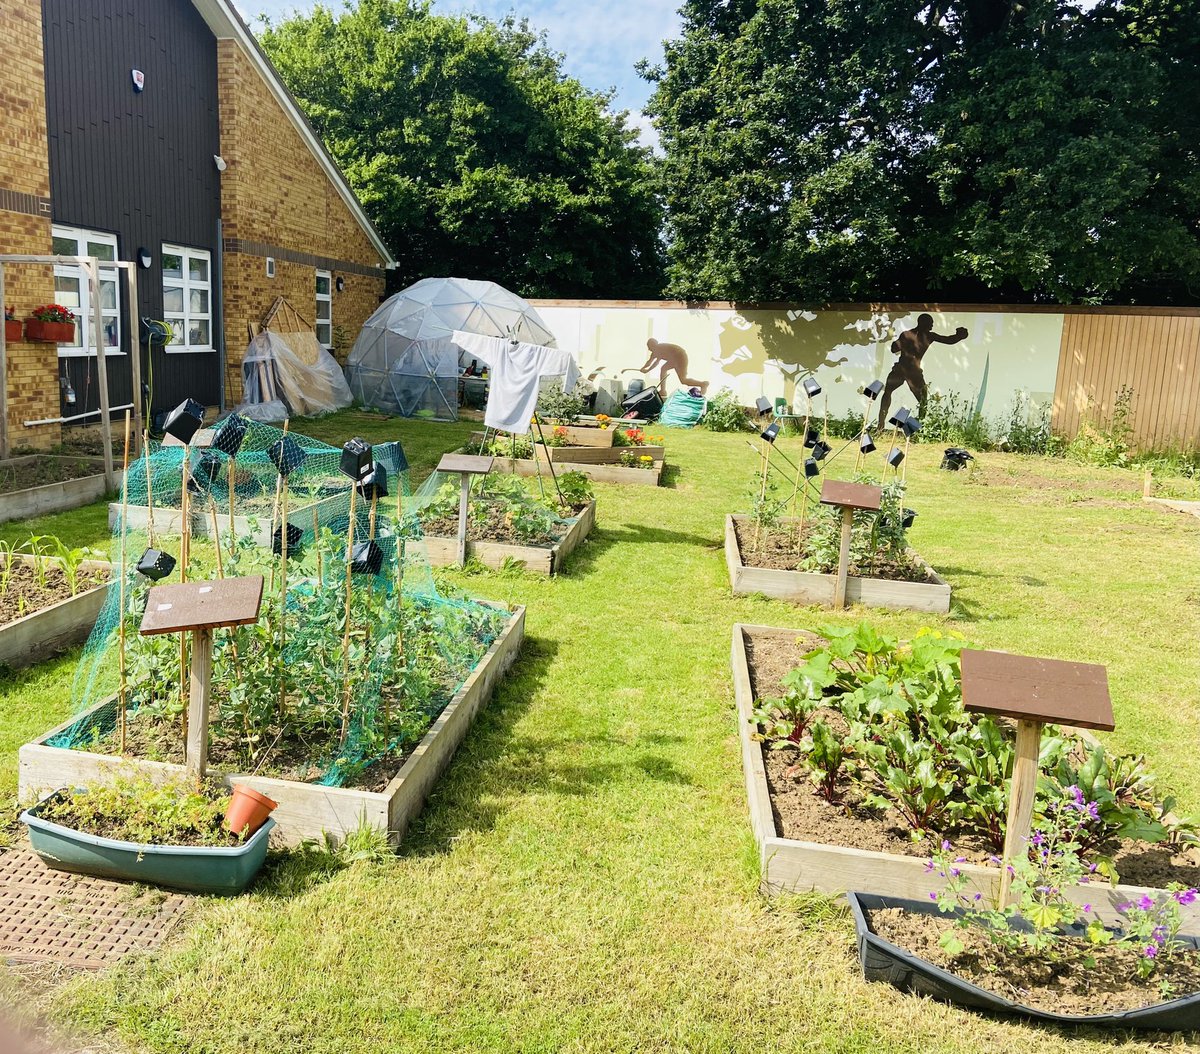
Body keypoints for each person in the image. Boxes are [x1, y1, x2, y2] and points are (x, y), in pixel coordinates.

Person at [877, 314, 968, 429]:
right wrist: (960, 335)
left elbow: (894, 349)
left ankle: (881, 425)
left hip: (901, 368)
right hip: (912, 371)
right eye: (931, 323)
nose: (932, 325)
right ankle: (917, 428)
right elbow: (948, 340)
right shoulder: (928, 336)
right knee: (923, 400)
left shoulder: (906, 334)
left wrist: (898, 343)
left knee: (888, 393)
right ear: (924, 323)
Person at [623, 338, 709, 396]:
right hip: (676, 357)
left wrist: (647, 370)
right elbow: (650, 361)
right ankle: (663, 390)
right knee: (666, 370)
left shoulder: (658, 348)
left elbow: (655, 363)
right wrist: (644, 368)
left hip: (679, 357)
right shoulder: (657, 350)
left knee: (682, 379)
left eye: (649, 347)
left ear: (652, 345)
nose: (649, 349)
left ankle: (702, 384)